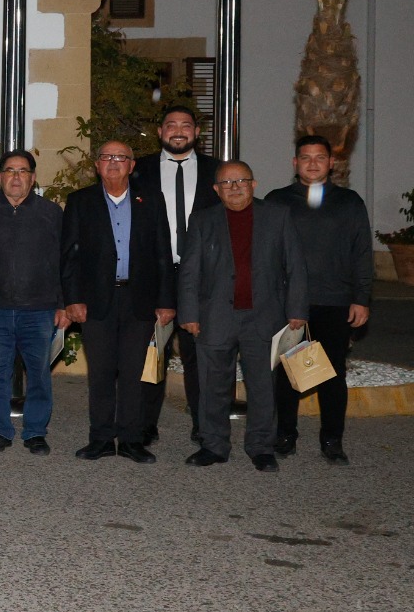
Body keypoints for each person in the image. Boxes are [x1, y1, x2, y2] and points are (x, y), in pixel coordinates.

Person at [180, 160, 309, 471]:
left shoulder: (278, 216)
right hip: (214, 316)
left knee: (263, 386)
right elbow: (190, 271)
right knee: (212, 385)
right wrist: (189, 312)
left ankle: (261, 447)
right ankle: (213, 445)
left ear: (254, 184)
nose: (234, 187)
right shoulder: (202, 220)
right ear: (216, 189)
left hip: (264, 316)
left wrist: (297, 310)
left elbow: (295, 265)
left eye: (241, 181)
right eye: (226, 183)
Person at [60, 140, 175, 464]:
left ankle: (130, 440)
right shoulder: (80, 201)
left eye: (121, 157)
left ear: (132, 165)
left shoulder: (151, 200)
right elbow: (68, 257)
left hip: (139, 300)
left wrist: (166, 300)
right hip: (96, 301)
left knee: (133, 373)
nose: (113, 162)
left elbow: (163, 253)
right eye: (107, 157)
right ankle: (99, 438)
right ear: (97, 165)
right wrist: (73, 299)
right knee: (100, 373)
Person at [264, 136, 373, 465]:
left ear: (331, 163)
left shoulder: (349, 202)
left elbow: (362, 253)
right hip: (288, 302)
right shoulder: (277, 201)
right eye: (305, 157)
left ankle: (332, 440)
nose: (313, 163)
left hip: (334, 301)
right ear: (295, 162)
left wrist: (361, 298)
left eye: (320, 157)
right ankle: (285, 435)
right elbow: (265, 253)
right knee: (286, 373)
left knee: (332, 374)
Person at [0, 149, 67, 456]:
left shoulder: (51, 213)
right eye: (10, 171)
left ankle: (35, 432)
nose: (16, 177)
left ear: (33, 178)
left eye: (23, 171)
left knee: (38, 373)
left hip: (40, 310)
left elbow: (63, 263)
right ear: (0, 177)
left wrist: (62, 305)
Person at [133, 104, 219, 446]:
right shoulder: (138, 170)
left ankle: (204, 424)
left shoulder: (218, 171)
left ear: (197, 132)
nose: (178, 131)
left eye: (186, 125)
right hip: (154, 274)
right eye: (171, 125)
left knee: (201, 355)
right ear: (160, 132)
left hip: (203, 278)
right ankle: (144, 424)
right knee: (153, 351)